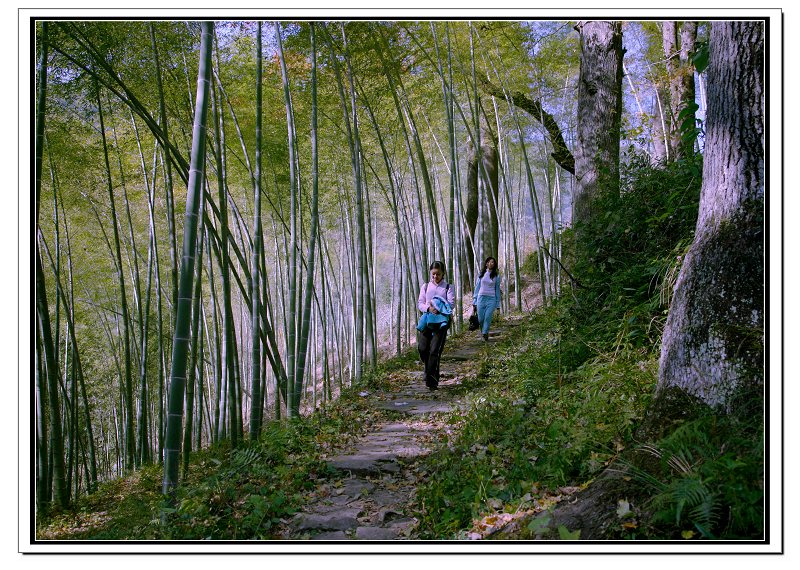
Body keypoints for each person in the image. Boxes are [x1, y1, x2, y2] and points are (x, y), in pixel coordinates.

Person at [417, 261, 455, 391]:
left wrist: (438, 307)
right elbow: (420, 303)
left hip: (441, 321)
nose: (435, 277)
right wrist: (428, 308)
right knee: (422, 348)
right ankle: (428, 368)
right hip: (427, 319)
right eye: (433, 274)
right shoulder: (425, 286)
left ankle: (431, 381)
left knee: (434, 351)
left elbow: (451, 304)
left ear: (443, 273)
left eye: (438, 274)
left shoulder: (448, 287)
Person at [472, 256, 502, 342]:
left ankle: (485, 333)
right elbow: (477, 288)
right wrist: (474, 300)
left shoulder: (496, 276)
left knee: (488, 317)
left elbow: (497, 290)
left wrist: (497, 304)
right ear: (486, 264)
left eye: (492, 262)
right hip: (481, 298)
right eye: (488, 262)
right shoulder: (481, 274)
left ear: (494, 264)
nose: (490, 263)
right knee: (481, 319)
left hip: (491, 299)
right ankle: (483, 333)